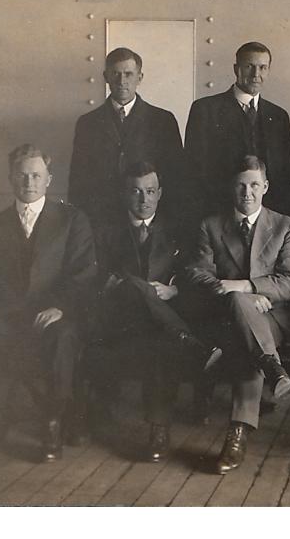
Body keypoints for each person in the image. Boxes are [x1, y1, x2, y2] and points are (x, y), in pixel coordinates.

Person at [0, 144, 97, 462]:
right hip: (6, 324)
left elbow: (83, 274)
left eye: (37, 176)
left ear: (49, 179)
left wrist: (62, 306)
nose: (29, 183)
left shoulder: (71, 220)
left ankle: (52, 422)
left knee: (65, 335)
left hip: (48, 320)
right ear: (11, 179)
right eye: (22, 176)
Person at [81, 161, 221, 462]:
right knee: (133, 286)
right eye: (135, 192)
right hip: (120, 319)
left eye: (149, 191)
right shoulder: (106, 232)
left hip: (160, 321)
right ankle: (192, 344)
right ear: (123, 195)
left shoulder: (178, 231)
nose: (143, 199)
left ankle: (159, 430)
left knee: (159, 344)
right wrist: (125, 286)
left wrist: (173, 290)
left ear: (160, 193)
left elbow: (193, 274)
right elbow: (95, 278)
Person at [185, 156, 290, 474]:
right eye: (240, 185)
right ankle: (271, 369)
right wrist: (236, 298)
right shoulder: (210, 226)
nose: (247, 193)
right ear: (231, 188)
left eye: (254, 185)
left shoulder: (285, 226)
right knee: (241, 323)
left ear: (265, 187)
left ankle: (237, 434)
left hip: (273, 318)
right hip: (225, 317)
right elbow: (198, 273)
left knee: (243, 328)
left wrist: (248, 289)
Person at [68, 47, 185, 231]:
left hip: (149, 222)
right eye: (116, 74)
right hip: (101, 222)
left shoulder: (163, 120)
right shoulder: (87, 123)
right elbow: (78, 182)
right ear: (106, 77)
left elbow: (176, 178)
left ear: (140, 77)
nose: (122, 81)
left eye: (128, 74)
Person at [184, 41, 290, 221]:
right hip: (218, 216)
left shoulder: (278, 116)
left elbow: (287, 175)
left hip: (267, 220)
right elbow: (193, 172)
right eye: (249, 67)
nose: (256, 74)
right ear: (236, 69)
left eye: (262, 67)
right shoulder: (205, 110)